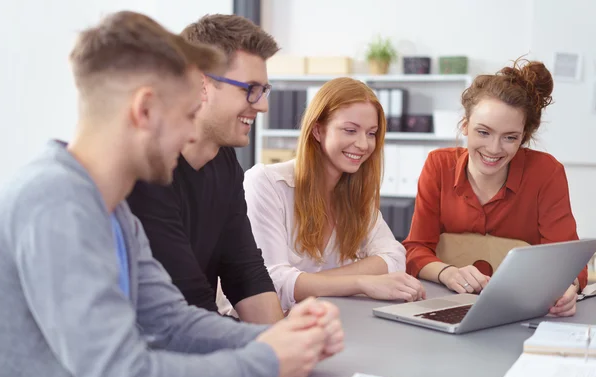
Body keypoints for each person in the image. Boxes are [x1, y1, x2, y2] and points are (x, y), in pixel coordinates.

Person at [0, 11, 344, 377]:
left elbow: (173, 321)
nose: (190, 134)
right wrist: (269, 359)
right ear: (144, 111)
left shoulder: (111, 210)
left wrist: (281, 338)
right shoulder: (56, 203)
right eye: (187, 115)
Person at [126, 14, 285, 323]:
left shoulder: (225, 162)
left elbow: (244, 269)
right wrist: (275, 351)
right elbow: (186, 303)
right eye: (250, 89)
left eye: (264, 90)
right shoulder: (148, 173)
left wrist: (283, 338)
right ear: (201, 84)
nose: (262, 105)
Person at [403, 59, 586, 317]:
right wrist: (448, 273)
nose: (494, 149)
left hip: (525, 312)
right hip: (448, 305)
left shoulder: (546, 173)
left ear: (523, 137)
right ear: (465, 125)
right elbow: (416, 249)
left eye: (510, 137)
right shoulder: (439, 165)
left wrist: (568, 287)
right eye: (484, 132)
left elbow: (569, 260)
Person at [243, 77, 426, 312]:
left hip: (325, 320)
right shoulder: (266, 184)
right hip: (257, 328)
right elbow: (271, 282)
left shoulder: (355, 191)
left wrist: (311, 283)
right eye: (350, 130)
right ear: (318, 130)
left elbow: (395, 257)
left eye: (371, 133)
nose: (363, 144)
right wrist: (361, 282)